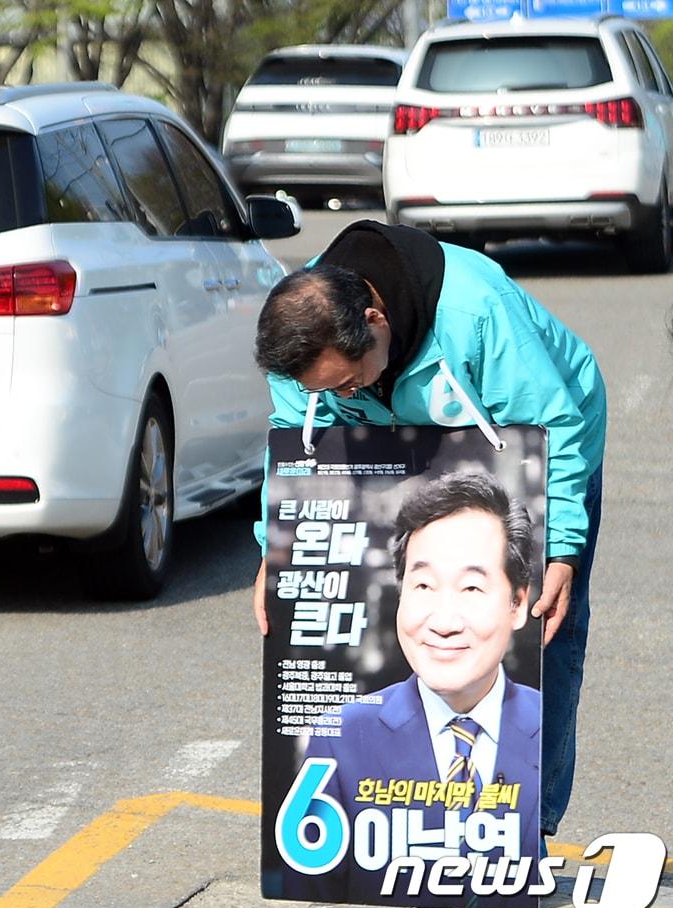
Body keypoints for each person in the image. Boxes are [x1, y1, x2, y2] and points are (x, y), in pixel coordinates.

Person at [250, 220, 605, 845]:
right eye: (325, 390)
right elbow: (292, 446)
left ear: (376, 320)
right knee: (390, 606)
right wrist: (274, 551)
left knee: (545, 628)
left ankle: (529, 830)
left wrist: (563, 550)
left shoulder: (475, 309)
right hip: (401, 445)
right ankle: (403, 820)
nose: (340, 394)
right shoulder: (300, 339)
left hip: (536, 438)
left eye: (347, 382)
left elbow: (556, 422)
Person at [292, 470, 541, 907]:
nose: (443, 622)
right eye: (423, 585)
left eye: (471, 587)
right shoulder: (343, 736)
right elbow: (313, 899)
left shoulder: (546, 723)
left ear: (518, 604)